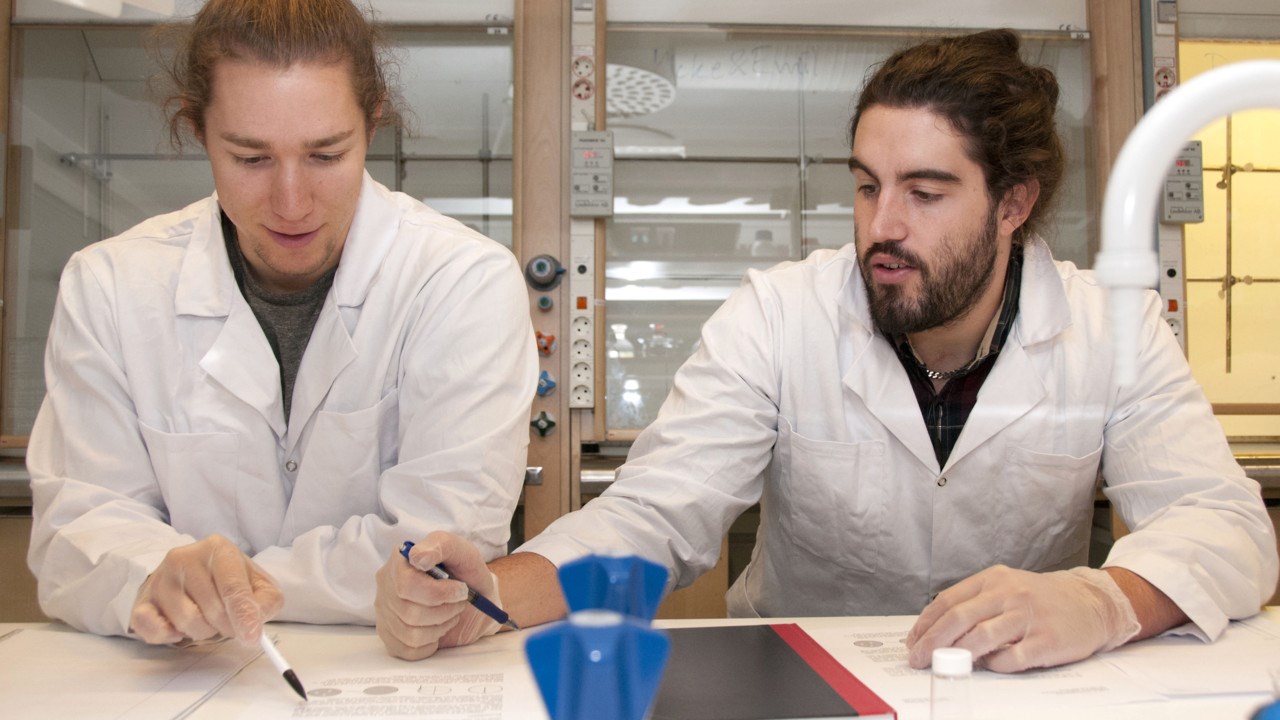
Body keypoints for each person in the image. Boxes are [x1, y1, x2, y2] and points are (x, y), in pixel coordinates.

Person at [377, 28, 1279, 670]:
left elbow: (1229, 526)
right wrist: (489, 599)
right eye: (866, 185)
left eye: (925, 192)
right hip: (794, 688)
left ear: (1013, 205)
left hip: (1009, 692)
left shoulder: (1109, 330)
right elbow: (650, 520)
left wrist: (1101, 601)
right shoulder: (779, 315)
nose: (881, 226)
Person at [26, 0, 536, 652]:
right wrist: (150, 576)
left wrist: (213, 581)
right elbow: (79, 526)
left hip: (384, 675)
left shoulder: (462, 282)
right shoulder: (110, 287)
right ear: (197, 130)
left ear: (371, 122)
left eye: (326, 155)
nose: (292, 204)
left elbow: (439, 538)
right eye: (250, 158)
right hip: (183, 674)